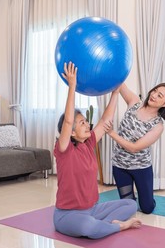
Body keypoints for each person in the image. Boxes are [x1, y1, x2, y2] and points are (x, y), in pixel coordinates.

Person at [53, 62, 142, 239]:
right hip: (68, 215)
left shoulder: (89, 143)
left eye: (86, 121)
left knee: (131, 205)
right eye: (82, 123)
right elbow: (69, 121)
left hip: (93, 209)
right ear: (70, 132)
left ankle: (105, 224)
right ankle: (118, 226)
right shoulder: (63, 149)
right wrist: (72, 86)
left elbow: (104, 121)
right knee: (89, 229)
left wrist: (116, 92)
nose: (87, 124)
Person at [107, 82, 165, 214]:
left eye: (160, 95)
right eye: (155, 91)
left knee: (147, 208)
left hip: (141, 168)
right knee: (129, 205)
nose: (154, 95)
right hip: (120, 165)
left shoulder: (157, 126)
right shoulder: (134, 102)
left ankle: (148, 198)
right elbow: (121, 82)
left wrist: (112, 133)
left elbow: (134, 148)